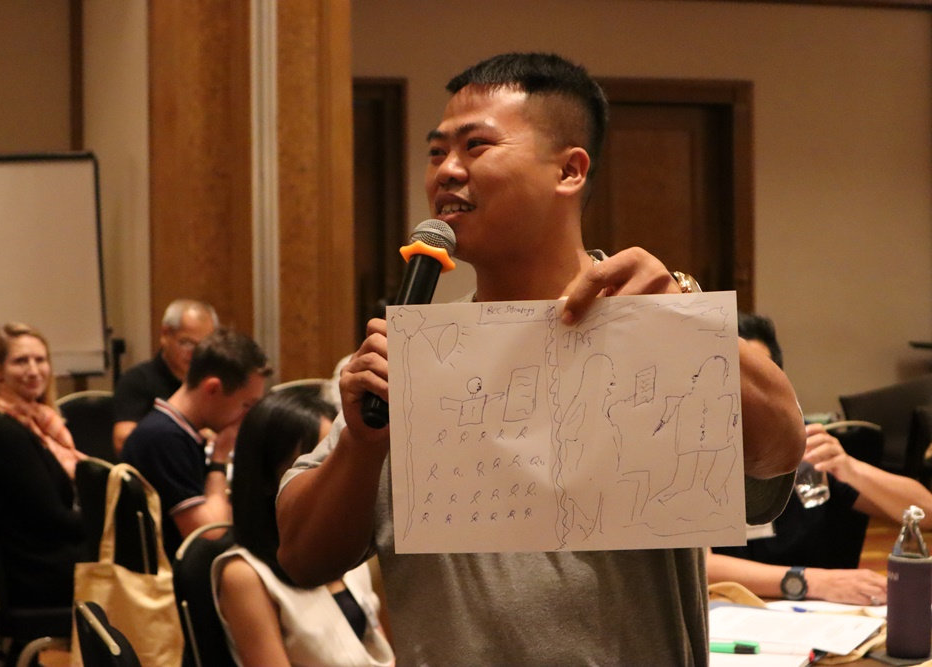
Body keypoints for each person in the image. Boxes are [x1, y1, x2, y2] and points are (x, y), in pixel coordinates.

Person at [275, 52, 804, 664]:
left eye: (476, 146)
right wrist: (362, 447)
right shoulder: (412, 361)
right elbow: (303, 557)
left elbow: (778, 452)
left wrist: (684, 319)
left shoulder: (651, 329)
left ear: (569, 170)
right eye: (437, 152)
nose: (447, 170)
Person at [708, 312, 932, 605]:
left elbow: (926, 512)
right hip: (729, 612)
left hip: (820, 616)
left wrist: (850, 468)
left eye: (758, 377)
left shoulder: (804, 448)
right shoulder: (696, 455)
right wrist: (808, 581)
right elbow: (702, 566)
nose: (746, 393)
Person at [212, 389, 394, 666]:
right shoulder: (244, 575)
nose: (334, 475)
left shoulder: (347, 547)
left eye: (337, 458)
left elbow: (377, 648)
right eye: (314, 464)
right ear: (269, 477)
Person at [0, 322, 87, 609]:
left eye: (40, 360)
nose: (34, 371)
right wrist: (111, 522)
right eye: (21, 361)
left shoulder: (37, 423)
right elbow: (53, 520)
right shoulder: (1, 434)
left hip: (42, 560)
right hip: (36, 576)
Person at [121, 328, 268, 556]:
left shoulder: (175, 431)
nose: (247, 416)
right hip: (170, 573)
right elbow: (210, 535)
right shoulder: (164, 439)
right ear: (213, 388)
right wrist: (220, 457)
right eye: (246, 405)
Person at [112, 299, 219, 454]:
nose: (195, 353)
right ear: (165, 334)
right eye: (187, 343)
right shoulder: (137, 380)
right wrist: (187, 434)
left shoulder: (213, 381)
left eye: (203, 346)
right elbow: (123, 441)